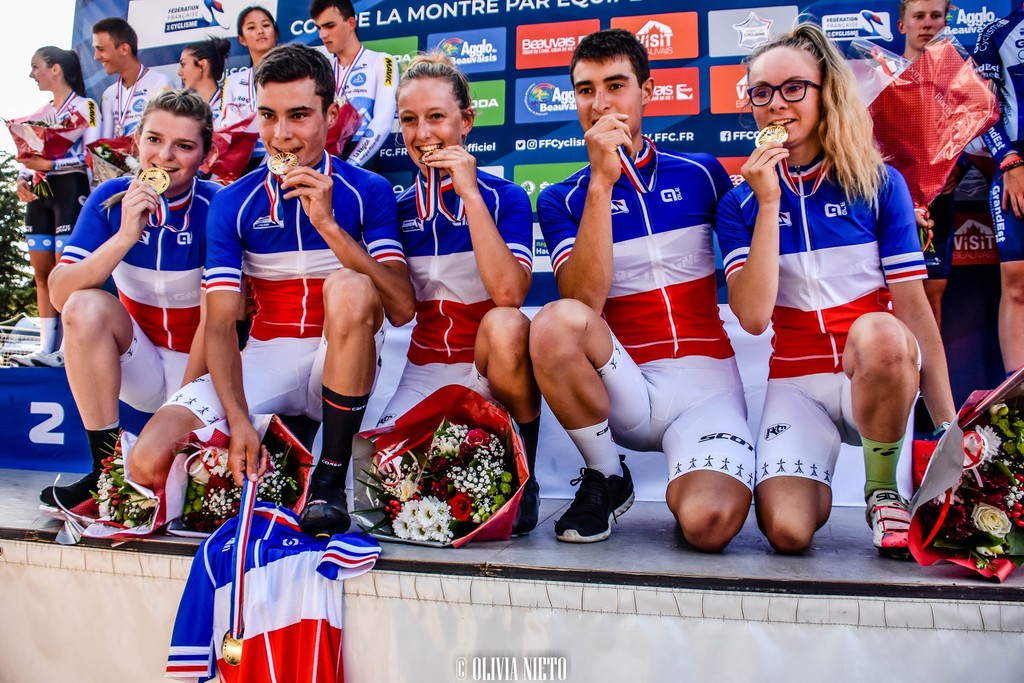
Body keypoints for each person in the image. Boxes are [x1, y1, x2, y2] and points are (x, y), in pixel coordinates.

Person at [127, 44, 414, 538]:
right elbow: (220, 323)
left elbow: (402, 306)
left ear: (331, 115)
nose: (281, 135)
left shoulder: (367, 189)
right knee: (147, 460)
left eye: (298, 115)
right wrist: (238, 420)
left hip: (342, 356)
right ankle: (284, 437)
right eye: (268, 116)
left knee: (349, 287)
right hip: (268, 356)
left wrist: (329, 226)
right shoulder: (234, 201)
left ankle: (328, 478)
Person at [715, 22, 957, 556]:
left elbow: (915, 312)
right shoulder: (740, 203)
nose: (777, 105)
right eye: (761, 93)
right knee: (787, 532)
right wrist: (769, 203)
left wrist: (948, 427)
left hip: (873, 368)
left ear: (826, 93)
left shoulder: (878, 183)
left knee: (883, 333)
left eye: (793, 88)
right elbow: (752, 318)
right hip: (798, 382)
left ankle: (883, 490)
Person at [532, 29, 754, 548]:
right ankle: (607, 474)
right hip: (624, 384)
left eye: (616, 86)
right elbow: (583, 305)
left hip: (707, 385)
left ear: (647, 91)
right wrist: (601, 183)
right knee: (554, 322)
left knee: (708, 526)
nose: (601, 103)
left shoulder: (702, 172)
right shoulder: (562, 198)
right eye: (586, 90)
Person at [377, 51, 541, 534]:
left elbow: (510, 293)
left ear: (466, 121)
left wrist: (469, 193)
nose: (422, 134)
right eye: (409, 120)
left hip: (488, 367)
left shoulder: (504, 197)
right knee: (390, 490)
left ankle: (526, 473)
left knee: (507, 323)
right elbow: (398, 310)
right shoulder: (396, 208)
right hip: (424, 369)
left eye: (436, 117)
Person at [39, 89, 219, 509]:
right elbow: (61, 294)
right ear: (136, 141)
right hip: (142, 365)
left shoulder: (218, 204)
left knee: (182, 483)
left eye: (184, 145)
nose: (164, 156)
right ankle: (103, 472)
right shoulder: (109, 197)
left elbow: (221, 319)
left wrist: (180, 408)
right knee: (84, 307)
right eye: (154, 139)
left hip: (206, 369)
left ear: (206, 156)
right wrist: (124, 236)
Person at [12, 46, 99, 367]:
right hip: (40, 193)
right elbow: (27, 155)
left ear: (55, 69)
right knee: (42, 272)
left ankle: (68, 349)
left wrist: (51, 164)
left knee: (67, 271)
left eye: (36, 67)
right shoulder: (39, 113)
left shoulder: (88, 107)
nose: (31, 74)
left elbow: (93, 155)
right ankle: (46, 348)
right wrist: (22, 179)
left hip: (71, 189)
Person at [898, 0, 958, 328]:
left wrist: (955, 168)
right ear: (902, 25)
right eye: (919, 16)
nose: (927, 23)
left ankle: (932, 361)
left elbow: (975, 132)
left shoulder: (959, 78)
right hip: (893, 196)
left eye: (936, 16)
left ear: (945, 22)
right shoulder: (882, 76)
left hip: (937, 196)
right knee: (895, 286)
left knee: (933, 291)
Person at [974, 10, 1024, 375]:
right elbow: (981, 107)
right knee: (1018, 280)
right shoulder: (996, 32)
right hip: (1018, 166)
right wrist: (1009, 160)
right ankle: (1018, 395)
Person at [310, 0, 397, 170]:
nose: (322, 35)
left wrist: (351, 165)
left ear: (351, 23)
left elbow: (383, 120)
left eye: (329, 26)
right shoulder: (319, 71)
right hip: (325, 164)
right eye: (319, 28)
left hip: (363, 161)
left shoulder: (383, 61)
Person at [93, 17, 174, 139]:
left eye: (101, 49)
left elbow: (164, 135)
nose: (96, 57)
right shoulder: (108, 94)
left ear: (124, 49)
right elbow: (106, 141)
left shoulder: (161, 83)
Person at [222, 5, 280, 167]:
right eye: (252, 28)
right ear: (241, 39)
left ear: (275, 34)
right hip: (242, 163)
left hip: (282, 157)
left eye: (266, 25)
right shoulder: (233, 81)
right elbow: (225, 127)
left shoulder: (293, 74)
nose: (260, 31)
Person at [178, 37, 232, 128]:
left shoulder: (229, 107)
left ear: (202, 65)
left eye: (183, 65)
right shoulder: (185, 109)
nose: (179, 72)